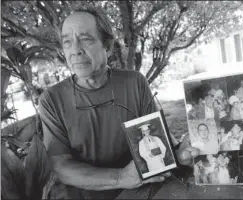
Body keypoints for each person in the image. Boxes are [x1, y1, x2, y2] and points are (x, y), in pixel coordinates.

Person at [39, 7, 199, 199]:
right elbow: (60, 166)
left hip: (144, 190)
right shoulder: (51, 99)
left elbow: (158, 141)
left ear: (107, 46)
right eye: (67, 42)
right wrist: (121, 177)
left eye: (86, 39)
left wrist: (179, 156)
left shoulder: (134, 82)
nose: (75, 50)